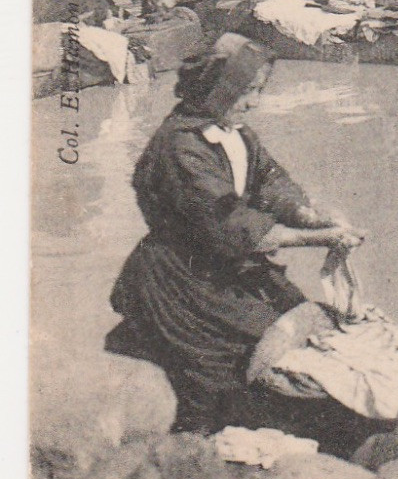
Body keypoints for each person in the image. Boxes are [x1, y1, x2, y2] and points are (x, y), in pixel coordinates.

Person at [105, 33, 366, 434]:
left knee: (302, 319)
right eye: (246, 92)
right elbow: (229, 224)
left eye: (258, 90)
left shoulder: (237, 134)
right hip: (183, 275)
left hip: (229, 263)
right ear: (216, 89)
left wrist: (311, 216)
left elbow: (272, 183)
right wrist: (319, 239)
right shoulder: (180, 146)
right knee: (233, 357)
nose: (254, 102)